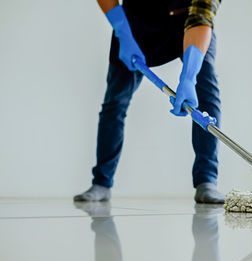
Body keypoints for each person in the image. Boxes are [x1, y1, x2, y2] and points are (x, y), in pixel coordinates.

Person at [74, 0, 224, 203]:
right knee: (115, 102)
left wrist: (189, 76)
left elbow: (201, 18)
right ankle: (101, 182)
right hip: (134, 26)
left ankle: (207, 180)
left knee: (207, 95)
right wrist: (121, 30)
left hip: (187, 24)